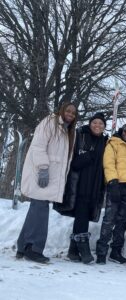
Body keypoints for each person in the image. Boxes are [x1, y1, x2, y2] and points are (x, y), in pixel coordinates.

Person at [16, 102, 78, 263]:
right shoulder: (50, 122)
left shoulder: (69, 130)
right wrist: (43, 168)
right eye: (68, 110)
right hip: (42, 173)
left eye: (74, 112)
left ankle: (23, 246)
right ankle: (34, 249)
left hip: (52, 176)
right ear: (62, 110)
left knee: (36, 208)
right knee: (40, 209)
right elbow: (38, 146)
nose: (71, 113)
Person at [65, 112, 107, 264]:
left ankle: (73, 250)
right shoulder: (80, 135)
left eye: (101, 124)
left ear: (104, 127)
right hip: (79, 183)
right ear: (90, 124)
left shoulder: (104, 141)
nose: (97, 125)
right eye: (95, 122)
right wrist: (88, 156)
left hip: (95, 184)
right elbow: (72, 160)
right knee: (81, 212)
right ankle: (83, 247)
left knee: (83, 214)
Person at [96, 122, 126, 265]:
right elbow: (108, 163)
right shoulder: (113, 143)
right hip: (115, 184)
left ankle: (116, 251)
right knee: (109, 219)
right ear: (122, 130)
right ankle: (101, 251)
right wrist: (112, 182)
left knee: (122, 220)